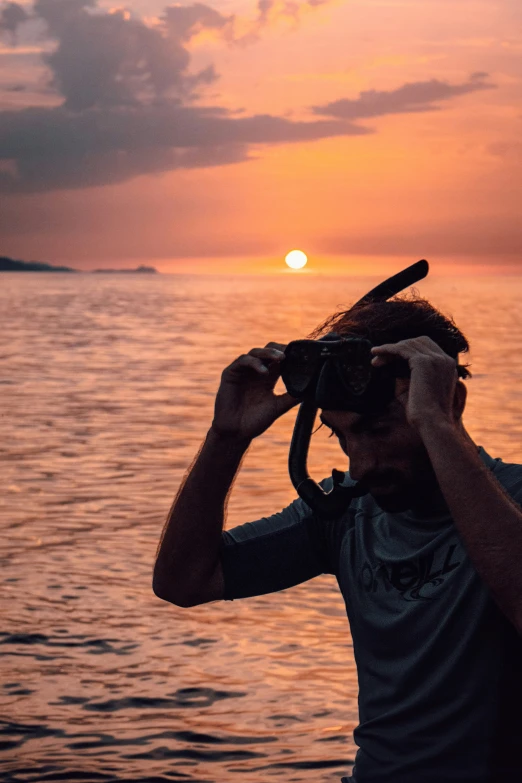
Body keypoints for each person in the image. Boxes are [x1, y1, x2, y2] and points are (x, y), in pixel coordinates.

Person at [153, 295, 522, 783]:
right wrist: (226, 438)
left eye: (380, 429)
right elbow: (184, 581)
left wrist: (433, 423)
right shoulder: (345, 512)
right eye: (341, 436)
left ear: (450, 401)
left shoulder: (512, 500)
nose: (361, 464)